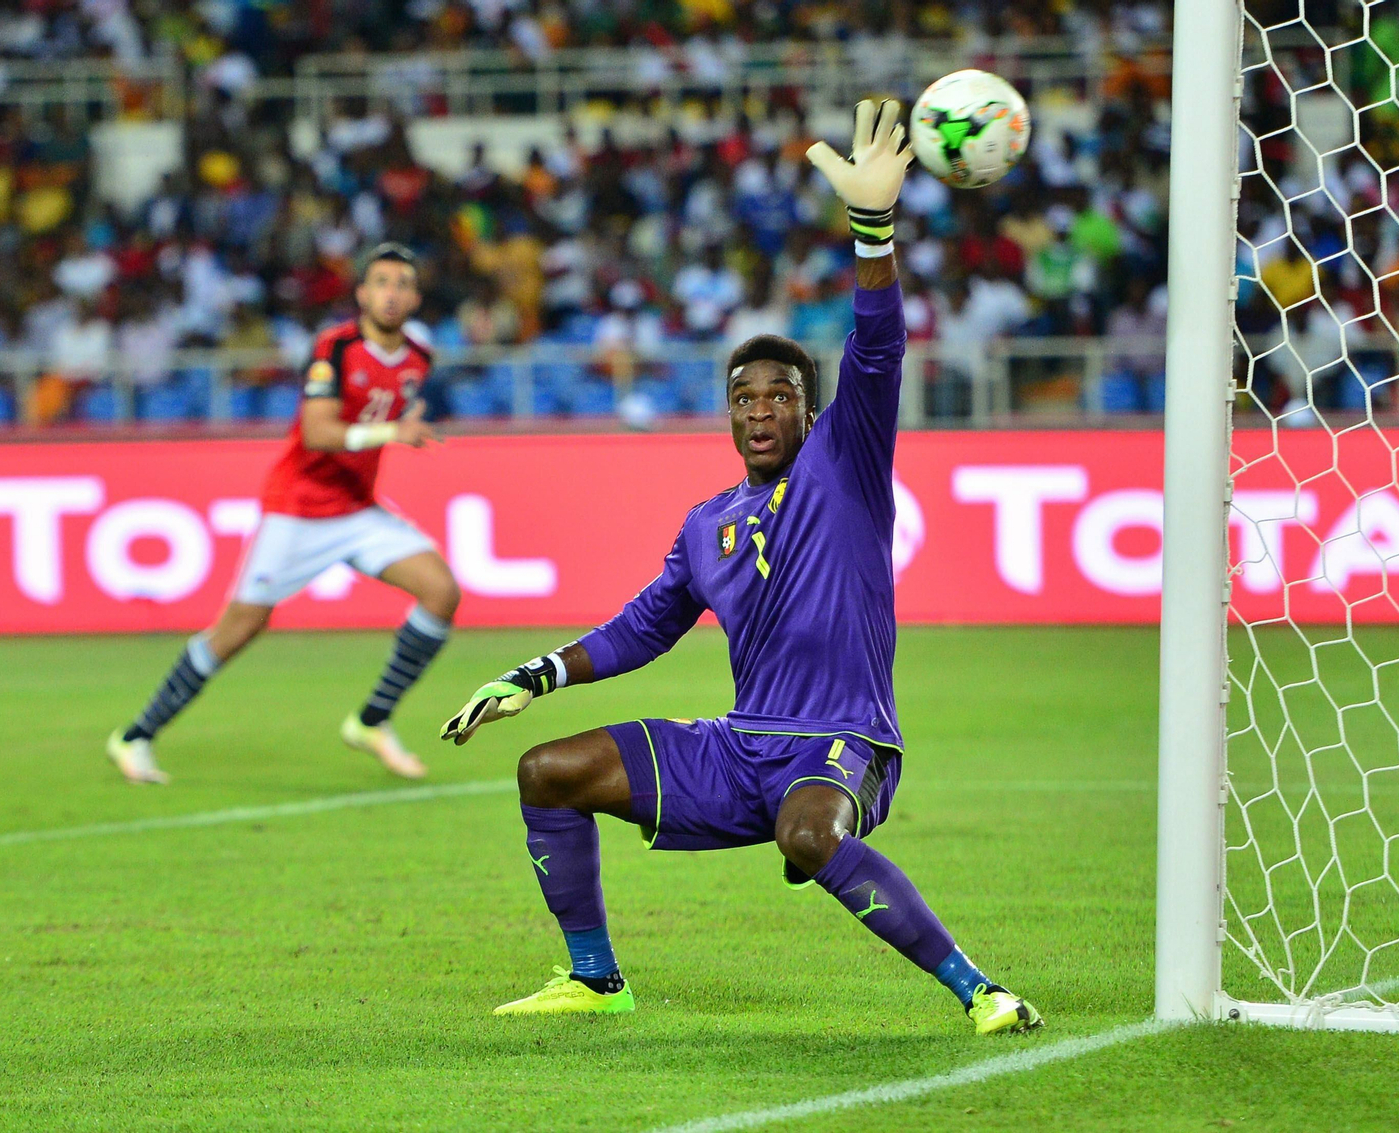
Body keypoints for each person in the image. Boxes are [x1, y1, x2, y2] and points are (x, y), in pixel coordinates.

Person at [441, 102, 1040, 1036]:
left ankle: (982, 990)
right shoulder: (707, 524)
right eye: (743, 398)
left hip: (841, 740)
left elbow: (877, 347)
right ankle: (596, 979)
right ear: (727, 416)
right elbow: (643, 627)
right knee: (547, 770)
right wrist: (536, 674)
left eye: (782, 395)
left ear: (809, 412)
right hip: (736, 746)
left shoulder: (843, 464)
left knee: (809, 839)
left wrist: (872, 229)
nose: (761, 409)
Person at [106, 244, 459, 784]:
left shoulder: (417, 358)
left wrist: (396, 426)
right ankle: (134, 737)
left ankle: (372, 720)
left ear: (415, 297)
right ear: (362, 293)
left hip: (358, 508)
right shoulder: (334, 348)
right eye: (381, 281)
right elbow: (317, 433)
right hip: (299, 507)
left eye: (403, 283)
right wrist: (393, 431)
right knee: (239, 629)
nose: (392, 292)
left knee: (441, 591)